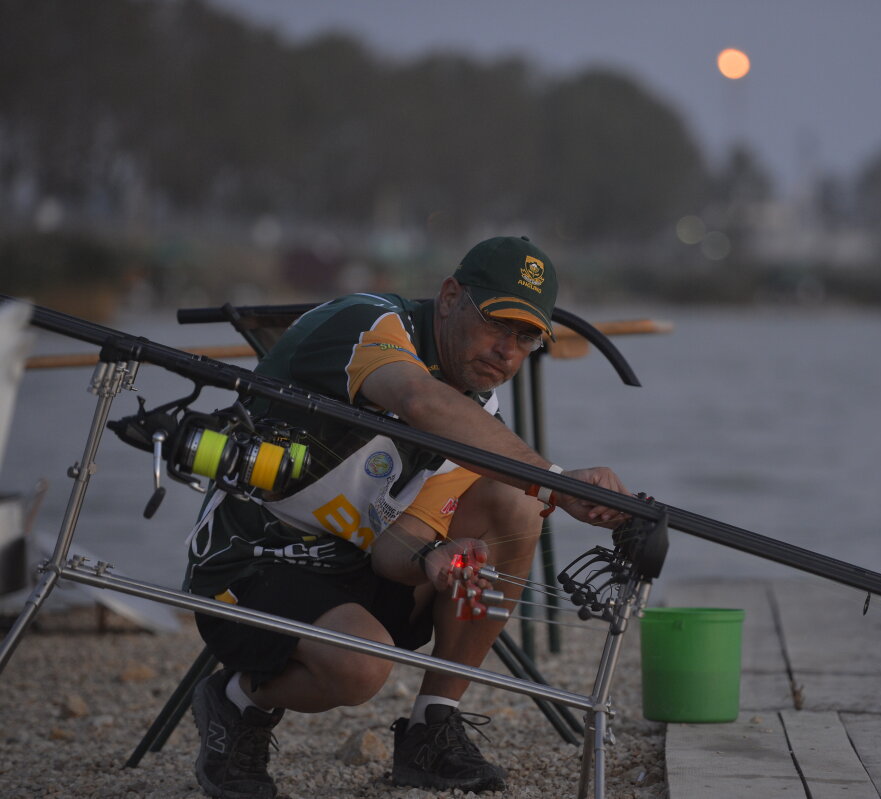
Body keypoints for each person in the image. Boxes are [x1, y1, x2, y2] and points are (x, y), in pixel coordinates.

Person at [182, 236, 629, 798]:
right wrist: (561, 483)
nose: (507, 351)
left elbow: (399, 546)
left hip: (354, 564)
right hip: (251, 557)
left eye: (527, 337)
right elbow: (422, 403)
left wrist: (430, 558)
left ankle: (431, 729)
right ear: (449, 297)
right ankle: (235, 704)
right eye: (497, 324)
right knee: (362, 671)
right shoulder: (371, 324)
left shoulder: (476, 408)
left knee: (515, 501)